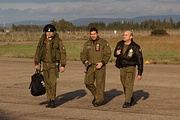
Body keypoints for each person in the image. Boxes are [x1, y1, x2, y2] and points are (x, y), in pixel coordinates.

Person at [34, 24, 67, 108]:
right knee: (47, 83)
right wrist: (37, 63)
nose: (49, 34)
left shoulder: (58, 41)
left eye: (51, 32)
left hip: (53, 64)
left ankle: (52, 100)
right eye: (47, 32)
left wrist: (63, 65)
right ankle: (49, 99)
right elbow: (37, 52)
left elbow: (63, 53)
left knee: (52, 83)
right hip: (44, 64)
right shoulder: (42, 41)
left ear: (53, 32)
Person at [80, 27, 111, 107]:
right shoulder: (87, 43)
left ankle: (99, 100)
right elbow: (83, 54)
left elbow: (107, 54)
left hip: (100, 65)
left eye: (94, 34)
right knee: (88, 82)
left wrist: (102, 62)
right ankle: (97, 95)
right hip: (90, 66)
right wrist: (85, 61)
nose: (93, 36)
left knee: (99, 84)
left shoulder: (103, 42)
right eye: (91, 34)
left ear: (97, 34)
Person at [114, 30, 143, 108]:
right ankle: (131, 95)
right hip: (122, 67)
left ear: (131, 37)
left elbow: (140, 59)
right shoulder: (120, 44)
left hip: (130, 67)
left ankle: (127, 101)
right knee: (124, 83)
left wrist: (140, 72)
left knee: (129, 84)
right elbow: (115, 54)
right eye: (124, 35)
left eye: (126, 35)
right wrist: (116, 53)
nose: (124, 36)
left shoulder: (135, 47)